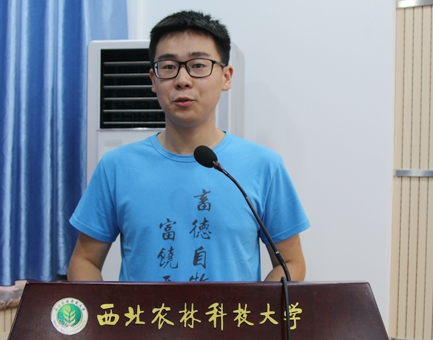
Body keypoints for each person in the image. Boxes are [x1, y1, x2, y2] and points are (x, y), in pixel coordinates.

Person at [68, 10, 310, 282]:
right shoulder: (116, 167)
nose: (182, 80)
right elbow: (85, 260)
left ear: (226, 76)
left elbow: (290, 262)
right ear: (153, 80)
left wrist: (256, 309)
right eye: (168, 67)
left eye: (198, 65)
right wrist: (106, 310)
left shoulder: (264, 166)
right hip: (144, 313)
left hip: (229, 313)